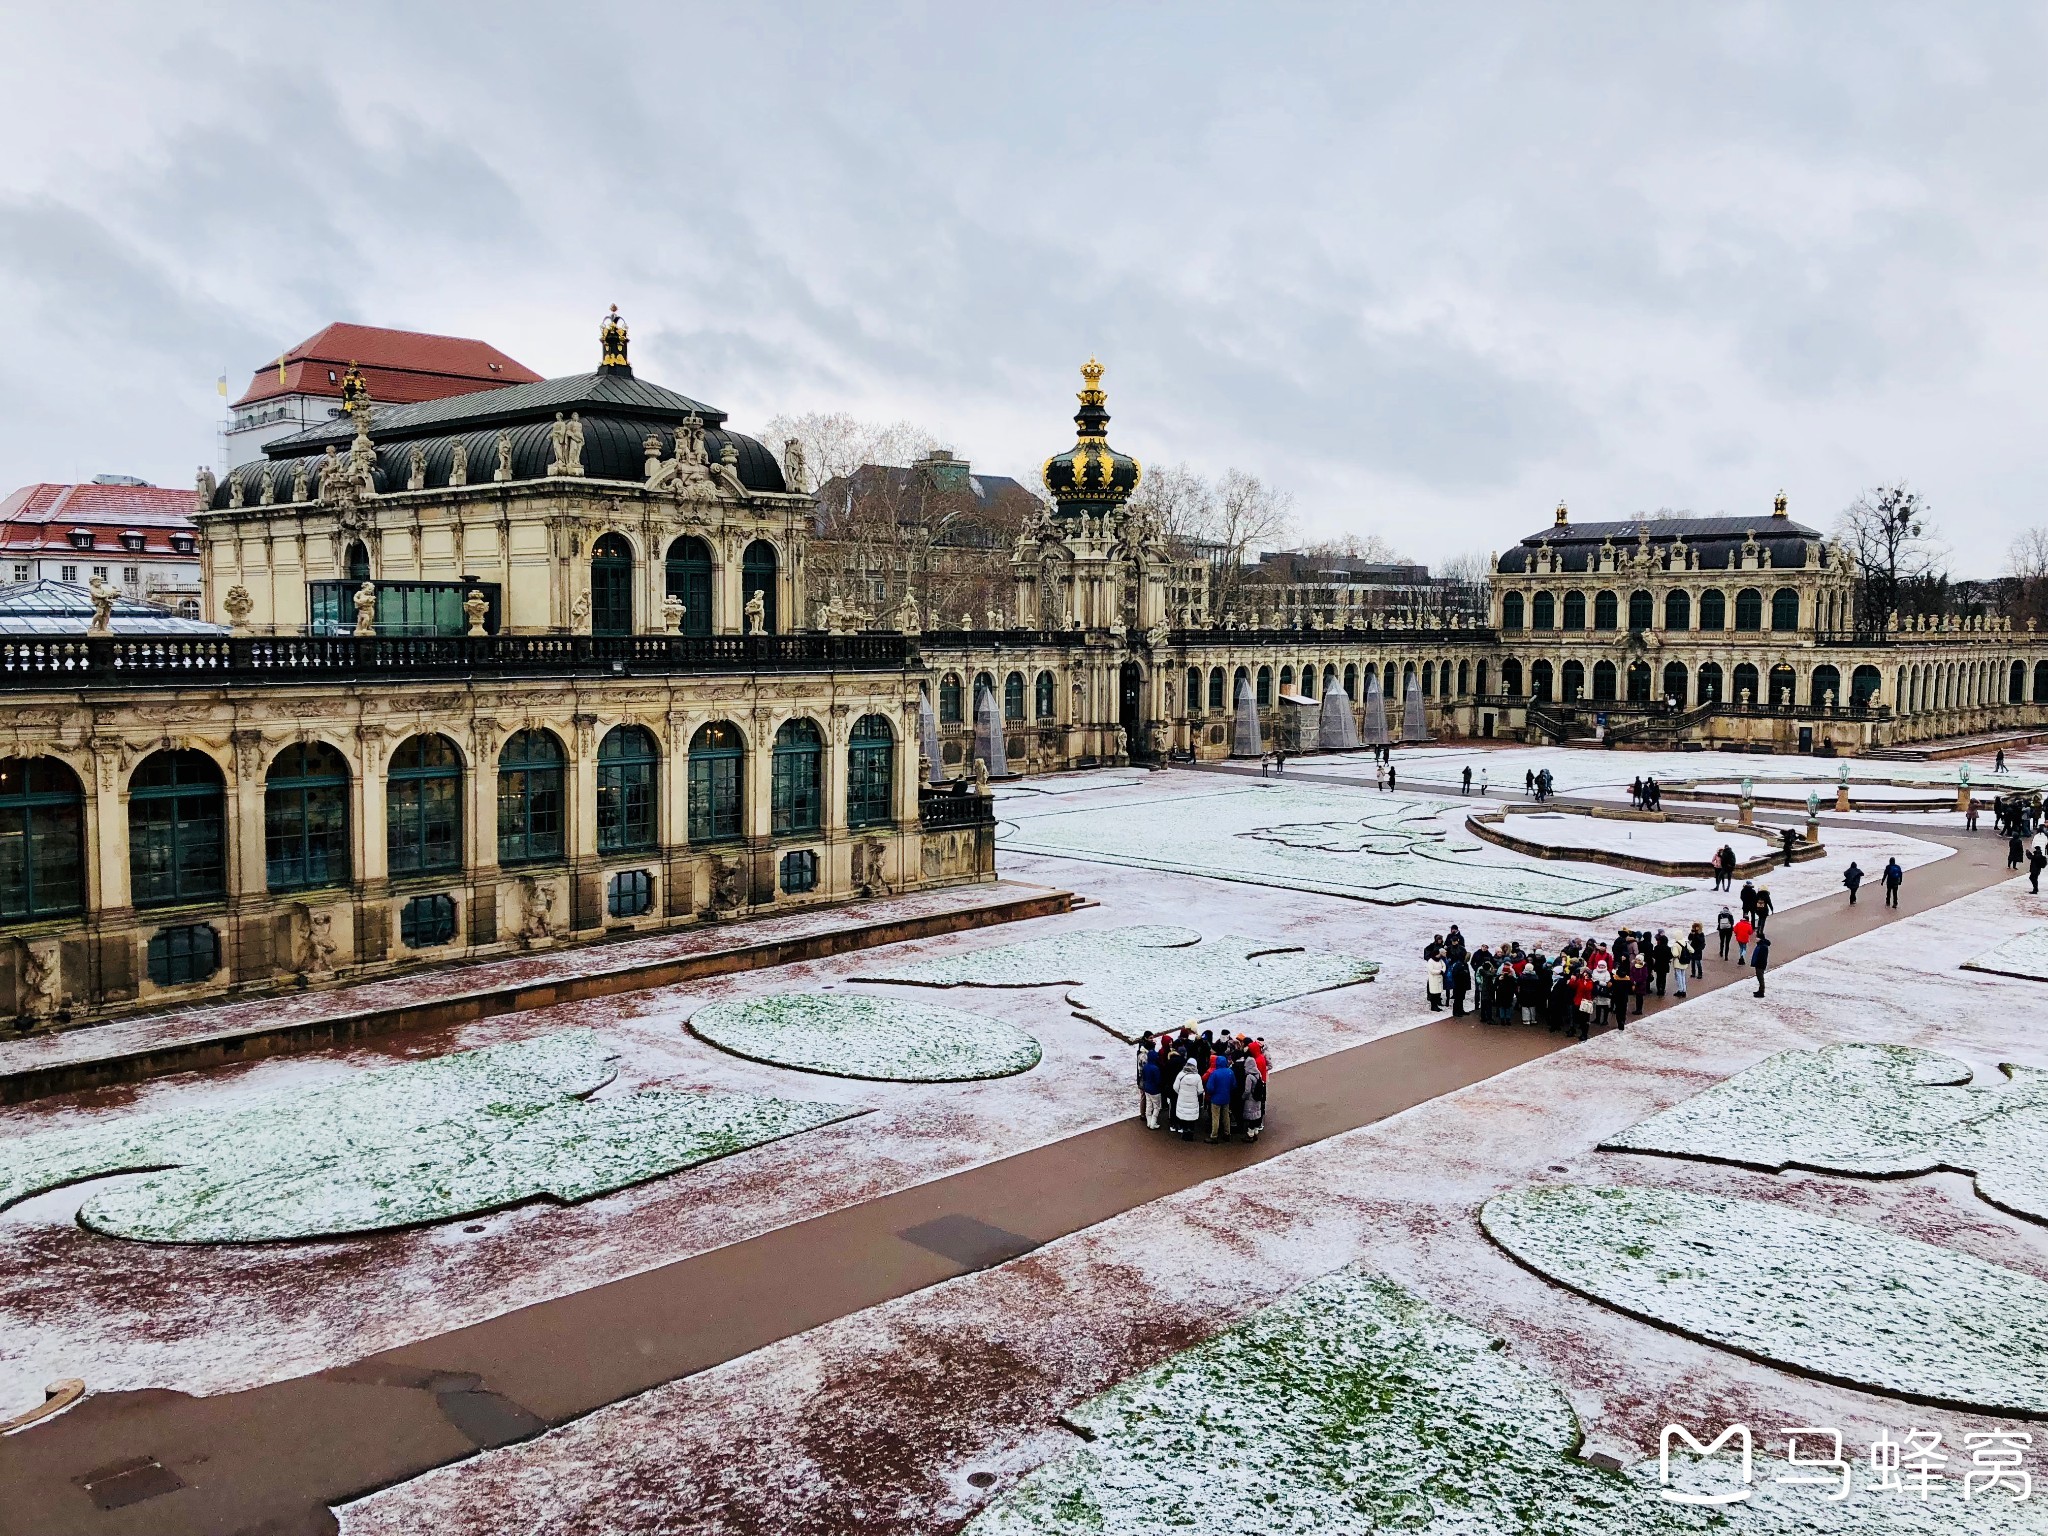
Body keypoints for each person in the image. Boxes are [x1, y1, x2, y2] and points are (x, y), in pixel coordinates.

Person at [1203, 1051, 1235, 1143]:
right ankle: (1227, 1134)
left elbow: (1210, 1087)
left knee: (1215, 1117)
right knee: (1226, 1116)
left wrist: (1212, 1093)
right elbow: (1233, 1085)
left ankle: (1214, 1136)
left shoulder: (1215, 1073)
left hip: (1216, 1098)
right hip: (1226, 1097)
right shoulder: (1230, 1072)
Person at [1170, 1055, 1203, 1141]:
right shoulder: (1197, 1077)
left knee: (1184, 1116)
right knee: (1191, 1118)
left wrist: (1181, 1093)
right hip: (1193, 1100)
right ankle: (1190, 1134)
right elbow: (1200, 1090)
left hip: (1182, 1099)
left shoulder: (1181, 1074)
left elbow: (1175, 1087)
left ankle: (1184, 1134)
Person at [1239, 1053, 1266, 1141]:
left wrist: (1243, 1097)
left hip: (1250, 1099)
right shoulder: (1258, 1074)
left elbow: (1247, 1090)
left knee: (1251, 1118)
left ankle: (1250, 1135)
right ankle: (1255, 1133)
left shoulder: (1249, 1077)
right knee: (1255, 1117)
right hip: (1257, 1098)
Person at [1139, 1047, 1163, 1129]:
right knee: (1157, 1107)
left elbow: (1144, 1077)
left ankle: (1149, 1122)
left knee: (1149, 1106)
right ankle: (1153, 1123)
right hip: (1155, 1090)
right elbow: (1158, 1080)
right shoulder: (1155, 1068)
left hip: (1147, 1088)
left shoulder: (1146, 1066)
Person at [1751, 928, 1772, 998]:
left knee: (1760, 978)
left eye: (1756, 937)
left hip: (1760, 964)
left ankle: (1761, 992)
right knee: (1759, 977)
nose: (1755, 939)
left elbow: (1762, 957)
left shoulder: (1762, 947)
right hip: (1759, 964)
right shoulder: (1760, 945)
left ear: (1760, 938)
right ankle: (1760, 990)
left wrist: (1757, 963)